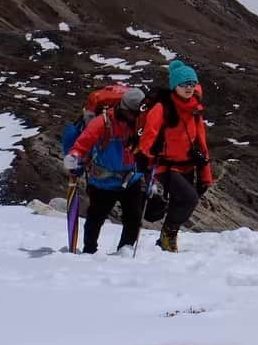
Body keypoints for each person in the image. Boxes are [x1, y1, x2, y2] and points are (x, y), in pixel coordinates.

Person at [135, 60, 213, 252]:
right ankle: (168, 235)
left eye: (192, 84)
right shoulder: (162, 108)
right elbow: (149, 135)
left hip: (187, 164)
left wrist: (205, 176)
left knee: (181, 201)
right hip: (164, 166)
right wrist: (145, 157)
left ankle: (167, 241)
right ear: (174, 86)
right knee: (189, 199)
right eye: (184, 84)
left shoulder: (195, 109)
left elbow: (201, 143)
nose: (188, 88)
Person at [63, 87, 146, 254]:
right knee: (95, 219)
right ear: (125, 109)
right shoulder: (102, 122)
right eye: (134, 114)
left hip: (131, 180)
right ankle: (89, 252)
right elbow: (83, 142)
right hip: (103, 183)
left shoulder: (139, 122)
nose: (137, 118)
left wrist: (150, 175)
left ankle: (125, 251)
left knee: (134, 219)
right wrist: (74, 155)